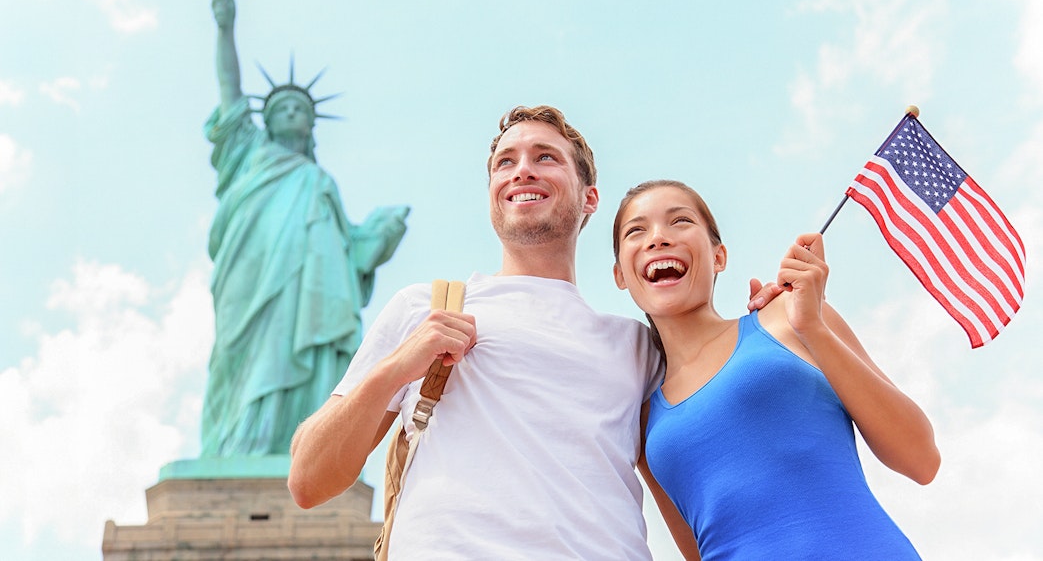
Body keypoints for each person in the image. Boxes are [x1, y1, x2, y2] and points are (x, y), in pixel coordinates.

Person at [289, 106, 753, 558]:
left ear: (589, 197)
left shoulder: (637, 347)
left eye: (545, 157)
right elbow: (308, 480)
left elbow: (685, 501)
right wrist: (394, 369)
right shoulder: (424, 308)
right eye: (505, 163)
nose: (522, 171)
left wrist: (770, 322)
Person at [611, 179, 941, 560]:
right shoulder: (644, 421)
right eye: (637, 231)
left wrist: (812, 327)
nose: (658, 238)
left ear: (719, 256)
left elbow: (921, 459)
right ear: (620, 275)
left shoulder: (790, 316)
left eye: (680, 221)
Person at [200, 0, 409, 457]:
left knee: (313, 361)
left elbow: (347, 251)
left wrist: (379, 237)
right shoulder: (246, 153)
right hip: (250, 282)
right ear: (266, 119)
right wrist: (224, 21)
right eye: (282, 107)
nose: (292, 112)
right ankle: (234, 452)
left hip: (312, 296)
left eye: (301, 108)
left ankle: (303, 453)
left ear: (312, 125)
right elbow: (230, 89)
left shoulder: (320, 182)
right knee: (243, 362)